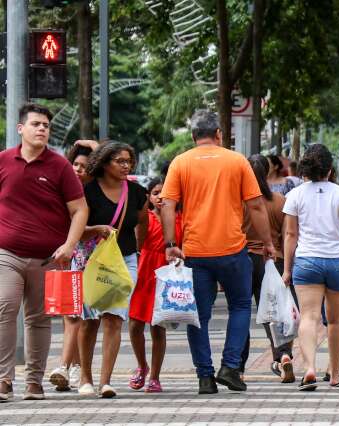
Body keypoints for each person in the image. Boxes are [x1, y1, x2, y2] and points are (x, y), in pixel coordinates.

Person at [161, 110, 275, 394]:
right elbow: (257, 206)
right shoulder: (236, 161)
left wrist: (170, 243)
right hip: (233, 249)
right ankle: (230, 366)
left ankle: (205, 377)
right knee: (240, 306)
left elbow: (166, 204)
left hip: (195, 252)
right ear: (219, 134)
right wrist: (268, 243)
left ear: (193, 136)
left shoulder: (180, 162)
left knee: (197, 314)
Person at [0, 104, 88, 402]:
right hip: (6, 254)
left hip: (49, 257)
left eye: (46, 126)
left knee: (38, 319)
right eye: (36, 124)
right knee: (5, 308)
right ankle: (3, 379)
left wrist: (70, 245)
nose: (42, 129)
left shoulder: (60, 165)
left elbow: (80, 210)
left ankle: (34, 382)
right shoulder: (2, 162)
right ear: (20, 128)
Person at [78, 142, 149, 398]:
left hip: (125, 261)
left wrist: (137, 253)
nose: (126, 166)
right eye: (120, 161)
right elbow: (75, 228)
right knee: (89, 321)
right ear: (105, 163)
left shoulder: (138, 193)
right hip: (92, 261)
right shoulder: (88, 191)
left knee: (114, 319)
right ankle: (85, 377)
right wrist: (97, 229)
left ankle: (105, 381)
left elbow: (142, 224)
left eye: (129, 161)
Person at [282, 144, 339, 391]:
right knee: (336, 320)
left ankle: (310, 368)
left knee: (309, 317)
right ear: (330, 169)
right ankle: (334, 374)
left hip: (307, 261)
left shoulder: (295, 195)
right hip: (337, 261)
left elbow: (291, 235)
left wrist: (287, 269)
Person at [239, 154, 296, 383]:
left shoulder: (238, 201)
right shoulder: (280, 200)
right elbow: (288, 236)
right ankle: (283, 357)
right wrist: (287, 268)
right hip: (273, 262)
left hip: (242, 260)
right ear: (267, 171)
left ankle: (238, 367)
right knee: (276, 314)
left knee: (240, 312)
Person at [48, 142, 98, 392]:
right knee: (71, 313)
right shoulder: (63, 189)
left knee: (78, 314)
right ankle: (71, 367)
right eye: (75, 164)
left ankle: (65, 366)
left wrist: (98, 147)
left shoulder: (96, 191)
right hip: (68, 256)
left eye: (84, 166)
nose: (78, 169)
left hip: (92, 259)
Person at [127, 178, 182, 393]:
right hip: (143, 273)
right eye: (155, 192)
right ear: (148, 197)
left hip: (167, 275)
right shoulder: (144, 218)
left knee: (158, 328)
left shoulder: (180, 219)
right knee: (134, 324)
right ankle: (142, 366)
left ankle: (155, 377)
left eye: (164, 192)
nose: (160, 196)